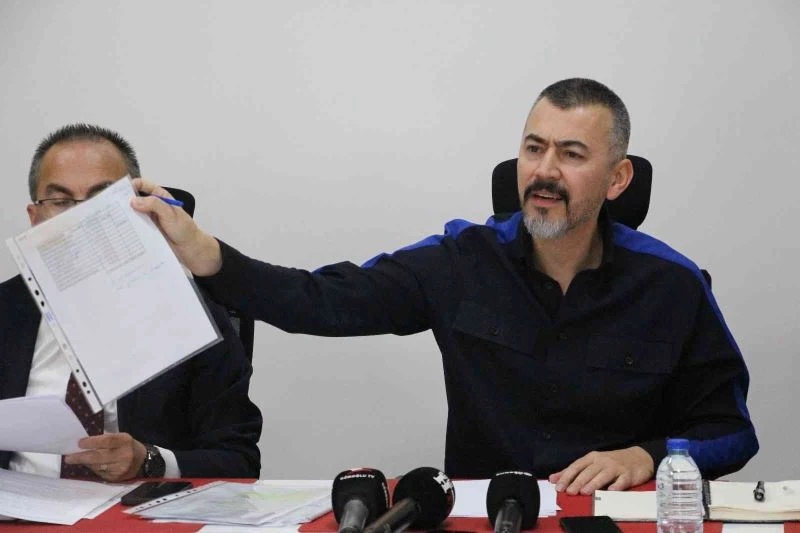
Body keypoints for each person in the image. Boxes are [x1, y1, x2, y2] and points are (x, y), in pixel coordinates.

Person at [132, 78, 758, 494]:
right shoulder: (461, 261)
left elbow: (732, 433)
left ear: (618, 179)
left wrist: (651, 454)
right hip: (489, 516)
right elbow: (322, 301)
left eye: (571, 154)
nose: (544, 171)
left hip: (612, 520)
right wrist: (204, 253)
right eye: (533, 148)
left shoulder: (673, 284)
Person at [0, 124, 263, 482]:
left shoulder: (193, 315)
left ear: (137, 207)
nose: (81, 219)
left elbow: (239, 460)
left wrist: (150, 460)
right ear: (35, 219)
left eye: (100, 201)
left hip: (136, 505)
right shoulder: (6, 311)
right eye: (60, 202)